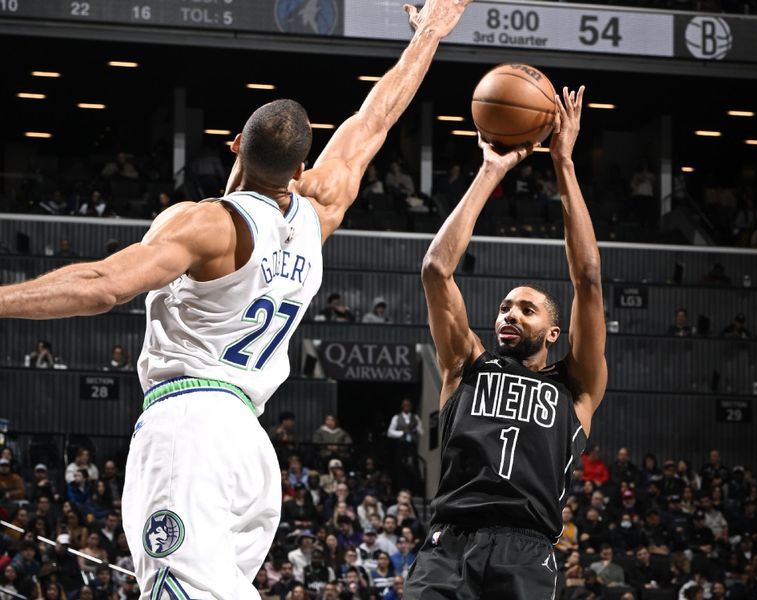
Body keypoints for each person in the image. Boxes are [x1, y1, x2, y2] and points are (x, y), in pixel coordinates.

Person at [0, 1, 473, 596]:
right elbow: (373, 120)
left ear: (233, 148)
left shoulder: (203, 225)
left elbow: (103, 286)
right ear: (301, 167)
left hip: (189, 428)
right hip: (250, 447)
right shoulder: (318, 212)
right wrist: (429, 34)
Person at [405, 86, 607, 599]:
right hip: (448, 545)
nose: (509, 314)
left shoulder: (574, 387)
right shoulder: (466, 365)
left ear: (553, 333)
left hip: (526, 551)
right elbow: (435, 269)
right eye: (502, 308)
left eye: (526, 308)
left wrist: (563, 161)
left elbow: (587, 277)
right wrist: (490, 172)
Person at [387, 398, 424, 494]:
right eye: (405, 405)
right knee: (401, 467)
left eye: (408, 405)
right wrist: (401, 433)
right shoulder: (396, 417)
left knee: (414, 467)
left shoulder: (415, 417)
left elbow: (421, 431)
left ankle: (415, 490)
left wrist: (415, 429)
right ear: (402, 406)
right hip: (401, 445)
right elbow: (390, 432)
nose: (406, 407)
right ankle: (403, 489)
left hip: (411, 445)